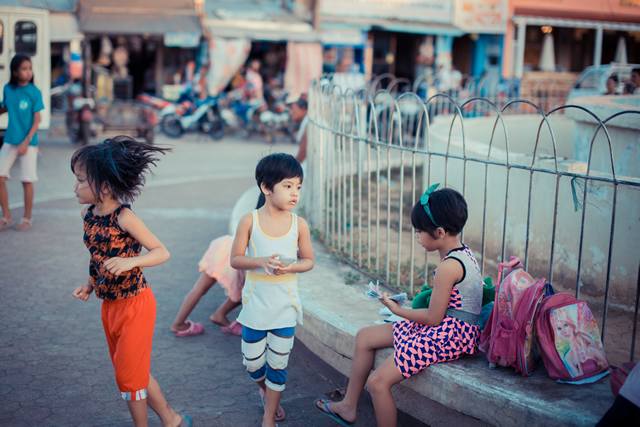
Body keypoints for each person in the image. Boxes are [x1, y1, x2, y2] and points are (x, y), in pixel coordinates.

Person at [314, 184, 482, 427]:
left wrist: (397, 310)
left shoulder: (448, 267)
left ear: (440, 232)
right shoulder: (463, 253)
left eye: (419, 231)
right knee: (364, 337)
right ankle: (348, 406)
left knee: (378, 382)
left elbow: (434, 318)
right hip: (447, 326)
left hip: (449, 335)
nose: (417, 237)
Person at [71, 136, 191, 427]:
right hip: (109, 306)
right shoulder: (89, 215)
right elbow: (97, 255)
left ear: (106, 186)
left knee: (127, 376)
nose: (75, 186)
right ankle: (172, 419)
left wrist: (131, 261)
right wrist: (89, 283)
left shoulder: (124, 217)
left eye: (81, 180)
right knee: (132, 370)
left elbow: (161, 252)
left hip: (136, 305)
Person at [230, 153, 315, 427]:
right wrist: (260, 262)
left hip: (285, 307)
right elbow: (235, 259)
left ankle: (269, 416)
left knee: (278, 365)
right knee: (252, 363)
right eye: (287, 186)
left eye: (298, 187)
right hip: (255, 305)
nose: (295, 193)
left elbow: (309, 261)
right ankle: (266, 391)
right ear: (266, 188)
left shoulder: (299, 224)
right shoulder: (249, 221)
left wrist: (292, 268)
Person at [169, 194, 267, 338]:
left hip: (224, 249)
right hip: (239, 257)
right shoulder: (270, 223)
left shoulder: (252, 217)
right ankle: (219, 315)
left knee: (199, 289)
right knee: (245, 291)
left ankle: (178, 323)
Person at [0, 54, 45, 232]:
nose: (28, 72)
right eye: (24, 69)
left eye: (30, 68)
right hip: (10, 139)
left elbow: (37, 120)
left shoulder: (34, 92)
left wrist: (27, 142)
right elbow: (5, 106)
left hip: (29, 142)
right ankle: (6, 217)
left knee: (26, 180)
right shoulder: (8, 89)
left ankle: (27, 218)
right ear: (15, 71)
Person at [553, 308, 608, 378]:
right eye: (559, 328)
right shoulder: (568, 357)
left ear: (572, 326)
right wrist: (576, 354)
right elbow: (579, 377)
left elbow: (607, 366)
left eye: (565, 325)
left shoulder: (591, 349)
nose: (563, 331)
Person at [285, 94, 308, 163]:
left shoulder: (308, 125)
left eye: (292, 108)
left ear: (303, 108)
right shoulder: (305, 122)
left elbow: (301, 157)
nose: (290, 112)